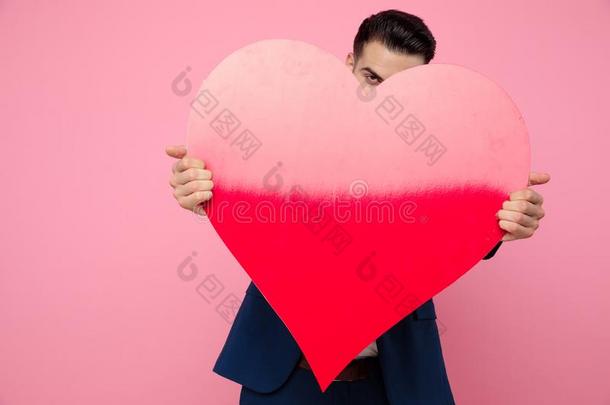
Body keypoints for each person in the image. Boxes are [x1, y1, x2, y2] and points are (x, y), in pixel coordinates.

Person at [166, 9, 550, 405]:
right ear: (349, 65)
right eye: (372, 78)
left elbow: (460, 225)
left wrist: (508, 220)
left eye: (402, 89)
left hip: (391, 383)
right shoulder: (283, 135)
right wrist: (201, 193)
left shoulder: (439, 156)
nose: (383, 100)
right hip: (282, 378)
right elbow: (244, 193)